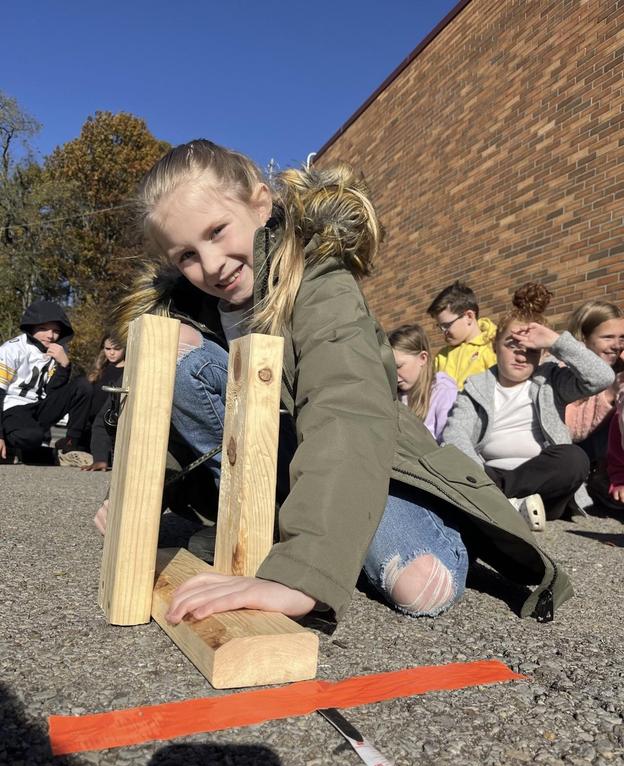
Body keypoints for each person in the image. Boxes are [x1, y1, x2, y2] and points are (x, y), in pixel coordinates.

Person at [110, 139, 572, 626]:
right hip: (276, 472)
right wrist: (134, 497)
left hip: (366, 459)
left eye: (218, 231)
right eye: (186, 255)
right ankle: (297, 537)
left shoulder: (319, 282)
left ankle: (434, 520)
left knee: (421, 584)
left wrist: (300, 577)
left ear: (260, 203)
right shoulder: (190, 311)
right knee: (173, 349)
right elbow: (167, 420)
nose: (211, 264)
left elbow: (345, 408)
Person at [443, 283, 614, 531]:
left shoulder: (550, 380)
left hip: (544, 487)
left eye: (531, 350)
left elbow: (602, 377)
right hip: (490, 473)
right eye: (512, 345)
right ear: (494, 346)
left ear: (542, 353)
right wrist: (479, 478)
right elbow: (454, 434)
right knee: (455, 460)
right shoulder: (476, 386)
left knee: (574, 458)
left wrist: (556, 341)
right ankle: (502, 501)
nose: (522, 356)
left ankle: (495, 502)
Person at [0, 300, 92, 466]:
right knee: (32, 437)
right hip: (12, 409)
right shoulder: (11, 349)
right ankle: (13, 448)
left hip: (38, 406)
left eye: (56, 331)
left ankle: (70, 446)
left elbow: (53, 390)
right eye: (43, 329)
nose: (50, 335)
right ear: (32, 327)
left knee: (82, 386)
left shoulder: (57, 350)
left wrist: (65, 365)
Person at [564, 300, 624, 509]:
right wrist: (610, 394)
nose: (617, 345)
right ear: (584, 339)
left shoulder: (619, 367)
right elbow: (570, 430)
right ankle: (603, 479)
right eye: (608, 337)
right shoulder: (563, 370)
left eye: (622, 338)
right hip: (580, 455)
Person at [389, 324, 457, 443]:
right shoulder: (392, 395)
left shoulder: (443, 391)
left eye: (398, 366)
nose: (394, 375)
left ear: (423, 358)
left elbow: (450, 442)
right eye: (389, 369)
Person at [426, 280, 497, 390]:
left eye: (447, 325)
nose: (443, 331)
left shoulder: (494, 348)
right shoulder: (441, 357)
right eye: (440, 326)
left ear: (469, 316)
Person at [80, 334, 126, 471]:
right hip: (91, 429)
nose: (111, 353)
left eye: (117, 349)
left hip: (111, 426)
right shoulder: (98, 370)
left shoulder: (128, 373)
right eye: (107, 348)